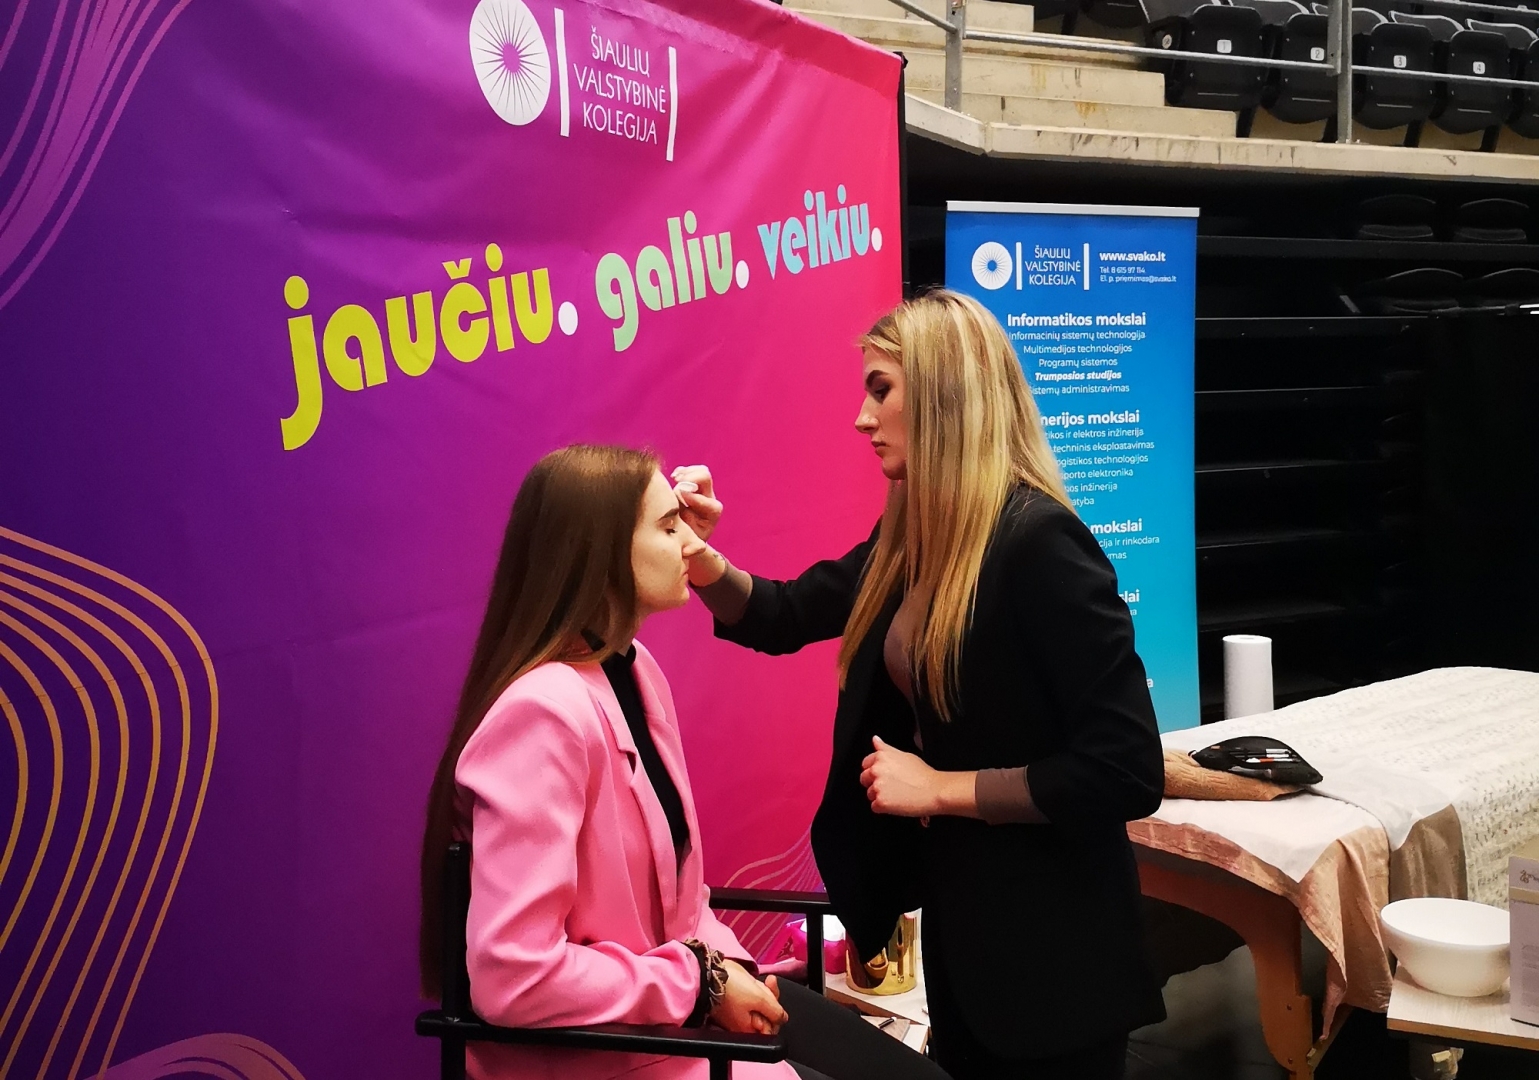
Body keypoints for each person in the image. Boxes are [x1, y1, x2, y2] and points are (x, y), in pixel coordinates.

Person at [676, 291, 1167, 1080]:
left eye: (880, 390)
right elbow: (783, 613)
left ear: (942, 396)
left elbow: (1124, 769)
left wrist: (939, 789)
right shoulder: (915, 537)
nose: (860, 419)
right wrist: (697, 558)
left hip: (1055, 958)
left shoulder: (1040, 544)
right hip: (969, 932)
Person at [418, 445, 951, 1080]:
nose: (692, 546)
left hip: (670, 1017)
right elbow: (514, 976)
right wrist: (700, 983)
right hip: (607, 1054)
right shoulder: (543, 714)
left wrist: (723, 972)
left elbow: (680, 905)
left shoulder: (635, 670)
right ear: (602, 554)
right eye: (669, 527)